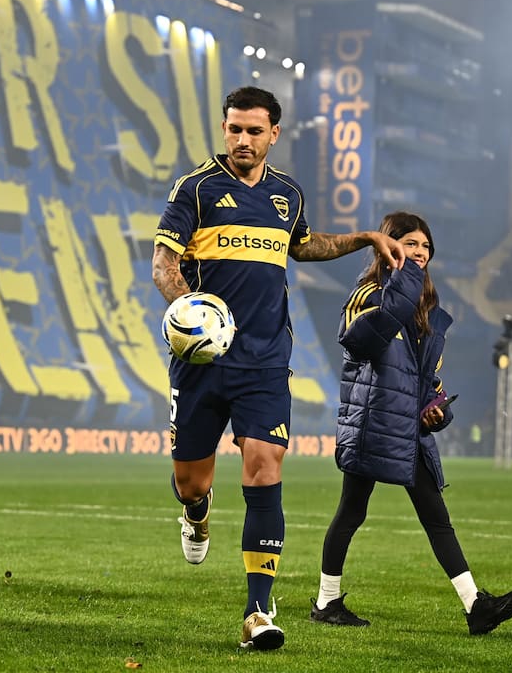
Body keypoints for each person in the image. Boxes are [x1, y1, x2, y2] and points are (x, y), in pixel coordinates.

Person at [151, 86, 405, 651]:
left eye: (253, 131)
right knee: (191, 480)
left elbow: (305, 246)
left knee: (265, 467)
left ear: (273, 134)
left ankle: (258, 612)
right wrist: (188, 308)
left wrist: (364, 236)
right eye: (234, 129)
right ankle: (196, 512)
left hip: (266, 360)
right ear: (225, 130)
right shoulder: (194, 190)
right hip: (202, 361)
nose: (242, 140)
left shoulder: (286, 193)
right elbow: (164, 265)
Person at [310, 211, 512, 635]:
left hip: (406, 427)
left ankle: (474, 605)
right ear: (387, 247)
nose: (420, 252)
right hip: (372, 420)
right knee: (351, 512)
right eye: (410, 243)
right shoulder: (368, 292)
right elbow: (359, 340)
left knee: (434, 516)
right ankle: (326, 601)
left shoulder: (427, 307)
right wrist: (401, 282)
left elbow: (429, 380)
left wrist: (438, 410)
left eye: (425, 246)